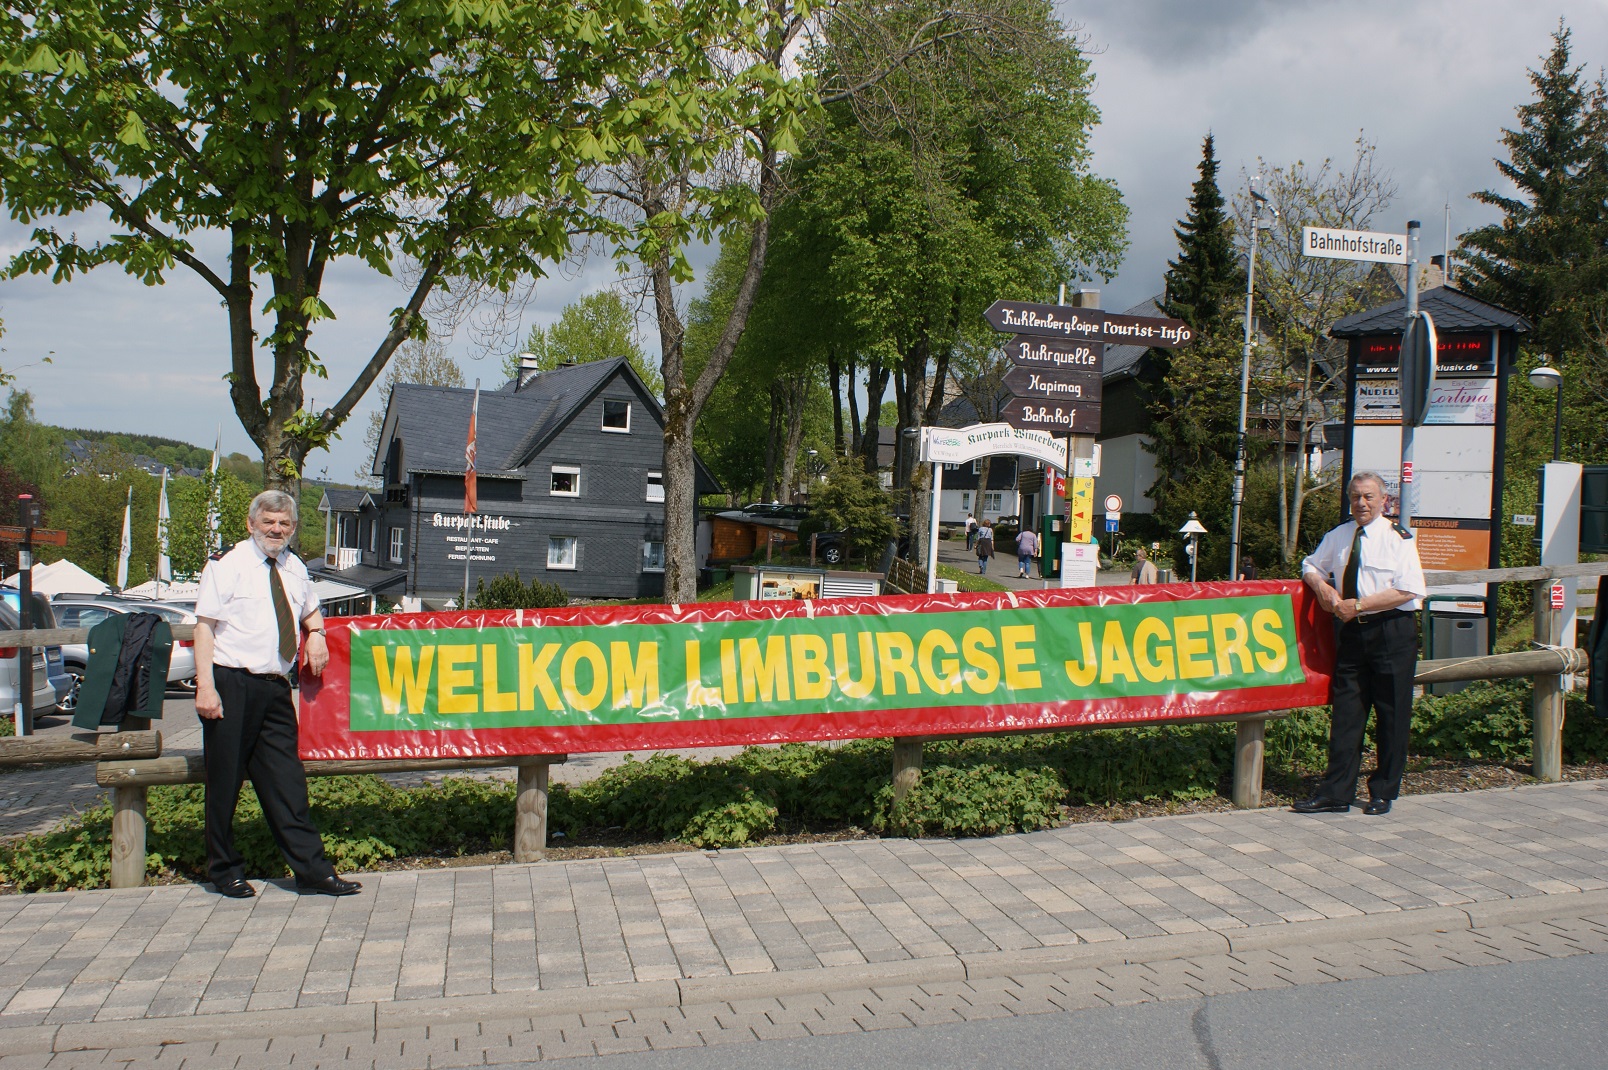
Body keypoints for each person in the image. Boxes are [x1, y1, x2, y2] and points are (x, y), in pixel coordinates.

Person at [193, 490, 362, 898]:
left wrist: (316, 633)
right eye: (268, 521)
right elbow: (204, 627)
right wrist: (205, 686)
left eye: (284, 523)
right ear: (251, 524)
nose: (276, 529)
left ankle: (312, 872)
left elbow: (309, 609)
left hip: (275, 689)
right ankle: (224, 870)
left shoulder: (295, 566)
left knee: (288, 784)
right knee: (225, 783)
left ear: (293, 528)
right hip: (231, 683)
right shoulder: (226, 565)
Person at [1295, 471, 1426, 818]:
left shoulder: (1398, 538)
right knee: (1347, 715)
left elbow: (1409, 589)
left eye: (1368, 497)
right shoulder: (1339, 536)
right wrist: (1323, 588)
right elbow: (1310, 565)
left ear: (1384, 501)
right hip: (1352, 634)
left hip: (1391, 631)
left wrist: (1361, 605)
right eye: (1355, 496)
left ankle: (1383, 792)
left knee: (1392, 715)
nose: (1361, 503)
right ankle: (1336, 793)